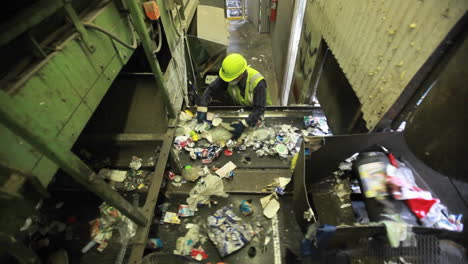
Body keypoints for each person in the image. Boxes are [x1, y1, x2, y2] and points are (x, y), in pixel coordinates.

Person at [196, 53, 272, 140]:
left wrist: (244, 124)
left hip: (260, 110)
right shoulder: (228, 76)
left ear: (242, 73)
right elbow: (211, 89)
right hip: (241, 108)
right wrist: (203, 105)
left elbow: (259, 109)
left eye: (233, 78)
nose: (230, 81)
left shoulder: (257, 82)